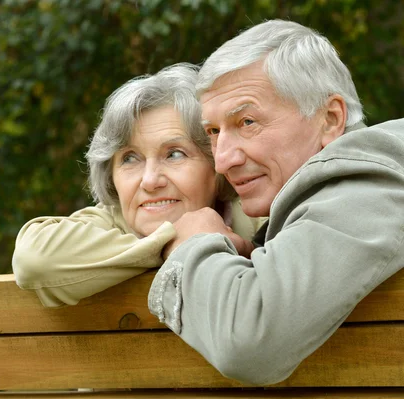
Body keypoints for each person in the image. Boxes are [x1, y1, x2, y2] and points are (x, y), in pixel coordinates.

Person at [148, 19, 404, 385]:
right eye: (214, 132)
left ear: (330, 119)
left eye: (247, 122)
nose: (223, 161)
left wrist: (195, 241)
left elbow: (249, 343)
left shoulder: (374, 182)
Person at [13, 64, 264, 308]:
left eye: (174, 154)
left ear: (216, 165)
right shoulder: (112, 221)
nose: (150, 180)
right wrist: (175, 242)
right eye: (130, 158)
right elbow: (33, 261)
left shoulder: (259, 219)